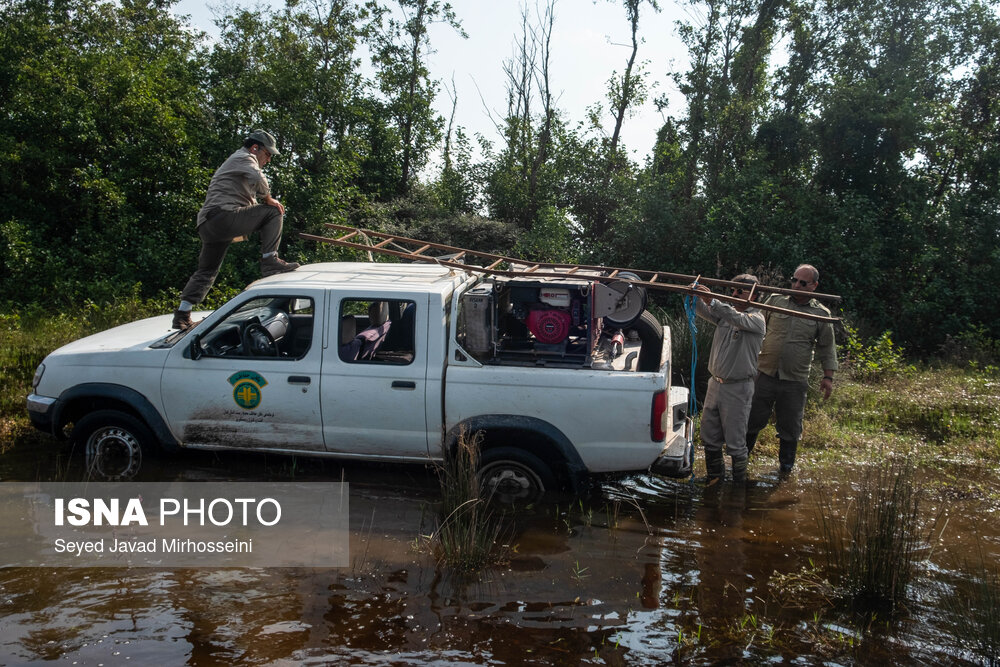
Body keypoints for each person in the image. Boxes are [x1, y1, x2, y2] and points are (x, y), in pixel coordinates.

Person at [172, 130, 299, 330]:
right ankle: (270, 260)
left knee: (207, 270)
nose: (268, 160)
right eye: (267, 155)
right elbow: (258, 177)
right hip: (222, 217)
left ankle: (182, 314)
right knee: (273, 211)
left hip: (210, 224)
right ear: (255, 148)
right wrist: (268, 199)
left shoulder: (239, 161)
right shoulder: (244, 156)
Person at [745, 263, 838, 474]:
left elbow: (827, 347)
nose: (796, 285)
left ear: (814, 286)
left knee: (790, 428)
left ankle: (785, 471)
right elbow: (757, 327)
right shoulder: (776, 301)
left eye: (802, 282)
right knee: (752, 420)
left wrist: (828, 377)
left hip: (795, 380)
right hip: (765, 373)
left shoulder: (820, 313)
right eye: (794, 280)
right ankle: (740, 465)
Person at [691, 274, 766, 485]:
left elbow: (735, 318)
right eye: (732, 291)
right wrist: (694, 295)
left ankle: (738, 486)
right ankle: (714, 478)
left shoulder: (756, 319)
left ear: (754, 295)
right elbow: (703, 310)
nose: (734, 295)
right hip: (716, 384)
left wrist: (711, 300)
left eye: (739, 291)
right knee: (709, 435)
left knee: (735, 442)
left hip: (738, 388)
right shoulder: (725, 314)